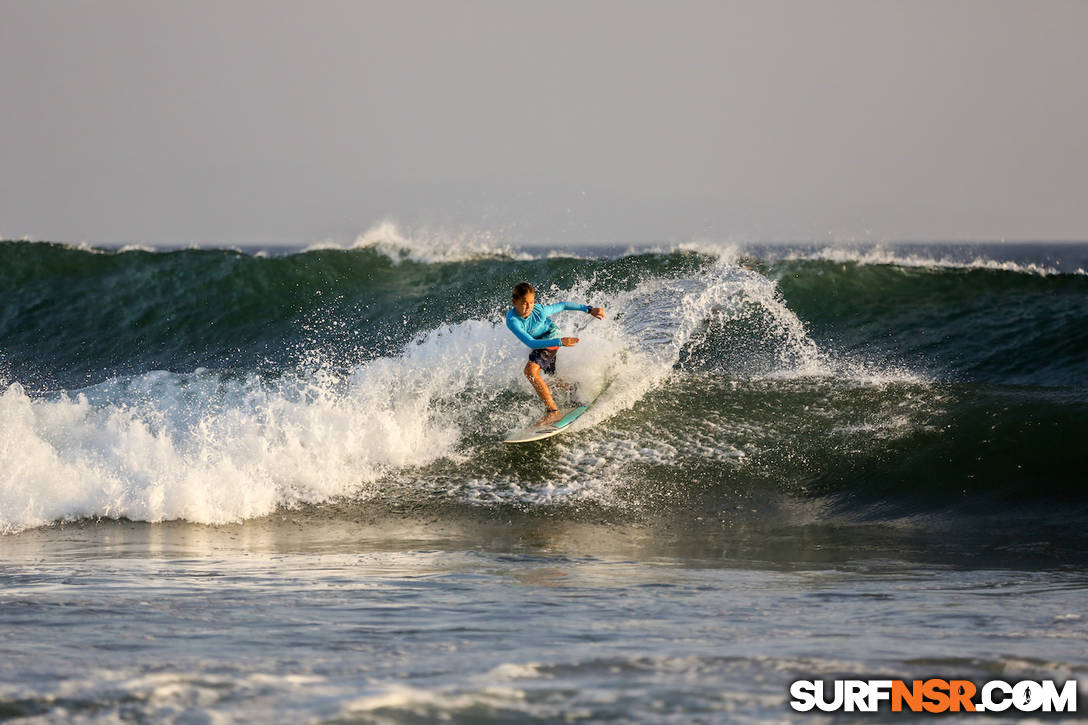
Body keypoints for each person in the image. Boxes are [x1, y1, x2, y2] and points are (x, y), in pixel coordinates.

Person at [505, 282, 605, 424]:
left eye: (531, 302)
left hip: (551, 337)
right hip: (545, 342)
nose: (529, 307)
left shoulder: (538, 310)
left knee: (530, 372)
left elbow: (563, 305)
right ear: (514, 302)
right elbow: (531, 343)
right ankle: (573, 389)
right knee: (549, 380)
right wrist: (560, 342)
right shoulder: (513, 320)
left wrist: (589, 309)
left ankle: (553, 412)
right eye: (524, 303)